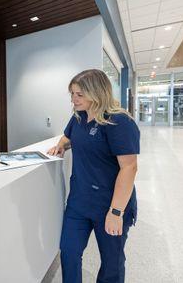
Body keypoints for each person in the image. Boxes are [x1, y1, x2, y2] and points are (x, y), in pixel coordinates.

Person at [47, 69, 140, 283]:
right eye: (72, 94)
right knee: (69, 252)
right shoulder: (78, 116)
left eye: (79, 94)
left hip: (110, 204)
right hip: (79, 201)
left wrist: (116, 212)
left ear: (97, 92)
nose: (74, 99)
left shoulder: (119, 121)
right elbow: (67, 136)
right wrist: (61, 145)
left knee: (111, 263)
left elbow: (129, 167)